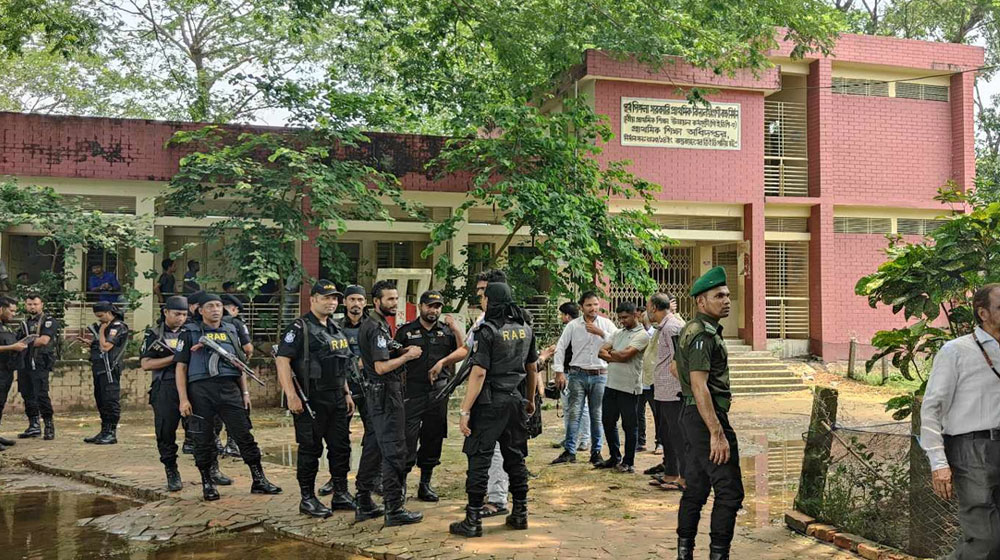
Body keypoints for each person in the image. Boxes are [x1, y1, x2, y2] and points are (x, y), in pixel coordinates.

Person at [449, 282, 538, 537]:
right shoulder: (525, 328)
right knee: (515, 458)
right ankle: (520, 513)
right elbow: (532, 368)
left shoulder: (487, 331)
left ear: (491, 300)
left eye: (484, 297)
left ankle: (473, 519)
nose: (482, 301)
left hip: (489, 403)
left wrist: (464, 410)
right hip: (515, 401)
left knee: (479, 458)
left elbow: (478, 373)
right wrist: (529, 400)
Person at [174, 293, 281, 501]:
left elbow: (239, 365)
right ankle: (208, 483)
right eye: (210, 306)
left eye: (218, 305)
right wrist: (183, 399)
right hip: (200, 391)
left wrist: (245, 393)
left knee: (244, 435)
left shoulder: (231, 330)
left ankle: (259, 479)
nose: (216, 309)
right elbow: (181, 367)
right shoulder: (189, 332)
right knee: (203, 440)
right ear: (200, 310)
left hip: (229, 389)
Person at [922, 283, 1000, 559]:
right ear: (983, 313)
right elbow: (931, 409)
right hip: (972, 450)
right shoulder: (956, 351)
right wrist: (938, 463)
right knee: (986, 539)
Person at [675, 267, 743, 560]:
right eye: (718, 296)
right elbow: (699, 385)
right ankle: (718, 555)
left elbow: (675, 368)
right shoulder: (702, 334)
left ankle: (684, 551)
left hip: (691, 416)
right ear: (701, 302)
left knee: (697, 487)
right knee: (729, 493)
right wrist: (716, 433)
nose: (726, 300)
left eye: (727, 295)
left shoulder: (690, 329)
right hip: (706, 418)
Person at [276, 280, 358, 518]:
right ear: (312, 299)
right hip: (311, 399)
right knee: (310, 449)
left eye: (334, 298)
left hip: (336, 397)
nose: (331, 302)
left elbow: (339, 362)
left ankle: (341, 493)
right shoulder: (299, 327)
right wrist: (291, 395)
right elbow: (282, 360)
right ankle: (307, 498)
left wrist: (346, 392)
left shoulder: (334, 328)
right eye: (326, 298)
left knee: (340, 448)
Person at [355, 280, 424, 526]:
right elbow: (381, 367)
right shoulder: (374, 327)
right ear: (377, 301)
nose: (395, 303)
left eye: (396, 298)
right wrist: (408, 356)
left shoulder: (378, 324)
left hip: (379, 395)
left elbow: (387, 351)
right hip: (385, 394)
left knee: (373, 448)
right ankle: (394, 509)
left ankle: (363, 501)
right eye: (390, 299)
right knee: (395, 450)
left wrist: (402, 349)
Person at [395, 290, 465, 502]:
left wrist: (456, 329)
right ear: (420, 306)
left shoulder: (446, 331)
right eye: (430, 306)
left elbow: (463, 350)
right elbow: (393, 353)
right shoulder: (406, 331)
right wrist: (405, 353)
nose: (433, 310)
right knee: (407, 437)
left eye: (437, 307)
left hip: (438, 393)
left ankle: (425, 483)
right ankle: (401, 485)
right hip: (412, 391)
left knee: (433, 437)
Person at [319, 284, 381, 497]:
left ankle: (373, 476)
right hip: (342, 386)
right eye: (352, 299)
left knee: (374, 432)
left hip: (369, 386)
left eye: (360, 300)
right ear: (345, 302)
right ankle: (336, 479)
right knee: (337, 436)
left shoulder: (375, 325)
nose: (356, 304)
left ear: (366, 303)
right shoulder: (333, 326)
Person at [551, 291, 618, 465]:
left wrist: (600, 332)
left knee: (597, 415)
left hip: (599, 375)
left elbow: (619, 341)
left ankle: (596, 452)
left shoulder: (606, 323)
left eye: (596, 304)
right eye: (589, 305)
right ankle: (570, 451)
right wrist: (559, 371)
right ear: (581, 307)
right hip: (577, 374)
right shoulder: (573, 325)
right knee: (574, 413)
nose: (593, 308)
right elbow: (561, 347)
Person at [140, 295, 190, 492]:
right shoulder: (154, 333)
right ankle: (171, 470)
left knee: (200, 431)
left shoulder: (191, 331)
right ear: (166, 312)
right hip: (165, 386)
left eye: (184, 314)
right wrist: (175, 358)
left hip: (191, 385)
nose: (181, 318)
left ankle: (210, 470)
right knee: (165, 431)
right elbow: (146, 364)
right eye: (177, 314)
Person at [595, 302, 650, 473]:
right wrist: (616, 355)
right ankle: (614, 456)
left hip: (629, 387)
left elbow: (626, 355)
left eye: (625, 317)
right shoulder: (617, 333)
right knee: (608, 421)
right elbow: (600, 351)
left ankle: (629, 461)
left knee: (629, 425)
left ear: (636, 315)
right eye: (619, 318)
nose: (622, 321)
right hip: (611, 385)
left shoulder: (642, 335)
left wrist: (611, 355)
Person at [539, 302, 591, 452]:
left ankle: (585, 439)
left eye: (562, 314)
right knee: (568, 407)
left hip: (575, 372)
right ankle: (571, 438)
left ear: (567, 316)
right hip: (566, 372)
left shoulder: (578, 328)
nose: (561, 317)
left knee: (582, 407)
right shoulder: (569, 329)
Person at [647, 293, 687, 490]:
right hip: (662, 390)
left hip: (673, 390)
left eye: (648, 307)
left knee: (677, 434)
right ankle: (671, 473)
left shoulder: (672, 327)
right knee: (667, 434)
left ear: (654, 307)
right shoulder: (662, 327)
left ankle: (684, 478)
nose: (647, 311)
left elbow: (677, 360)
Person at [80, 301, 129, 444]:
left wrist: (101, 331)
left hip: (110, 369)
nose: (100, 319)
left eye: (101, 316)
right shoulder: (108, 326)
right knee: (101, 400)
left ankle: (111, 432)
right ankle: (104, 430)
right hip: (100, 368)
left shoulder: (117, 326)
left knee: (110, 400)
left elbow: (106, 346)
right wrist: (91, 343)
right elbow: (101, 345)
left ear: (109, 312)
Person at [16, 294, 59, 440]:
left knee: (41, 394)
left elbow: (43, 341)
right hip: (25, 362)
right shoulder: (24, 323)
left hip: (40, 362)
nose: (32, 307)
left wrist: (22, 344)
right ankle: (34, 425)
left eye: (35, 304)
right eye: (29, 304)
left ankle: (48, 426)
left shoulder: (48, 321)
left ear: (42, 305)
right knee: (27, 394)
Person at [0, 296, 27, 451]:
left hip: (6, 370)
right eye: (11, 311)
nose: (13, 314)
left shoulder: (5, 326)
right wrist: (12, 347)